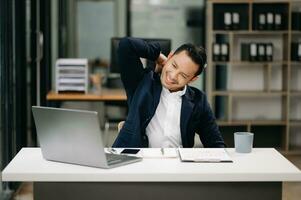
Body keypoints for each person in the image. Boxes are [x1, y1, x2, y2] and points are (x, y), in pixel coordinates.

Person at [112, 37, 225, 148]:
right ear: (170, 56)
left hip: (178, 164)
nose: (173, 76)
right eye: (174, 65)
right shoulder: (142, 82)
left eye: (183, 75)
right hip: (139, 162)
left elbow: (216, 144)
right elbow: (126, 45)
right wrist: (158, 56)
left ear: (192, 79)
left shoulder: (199, 101)